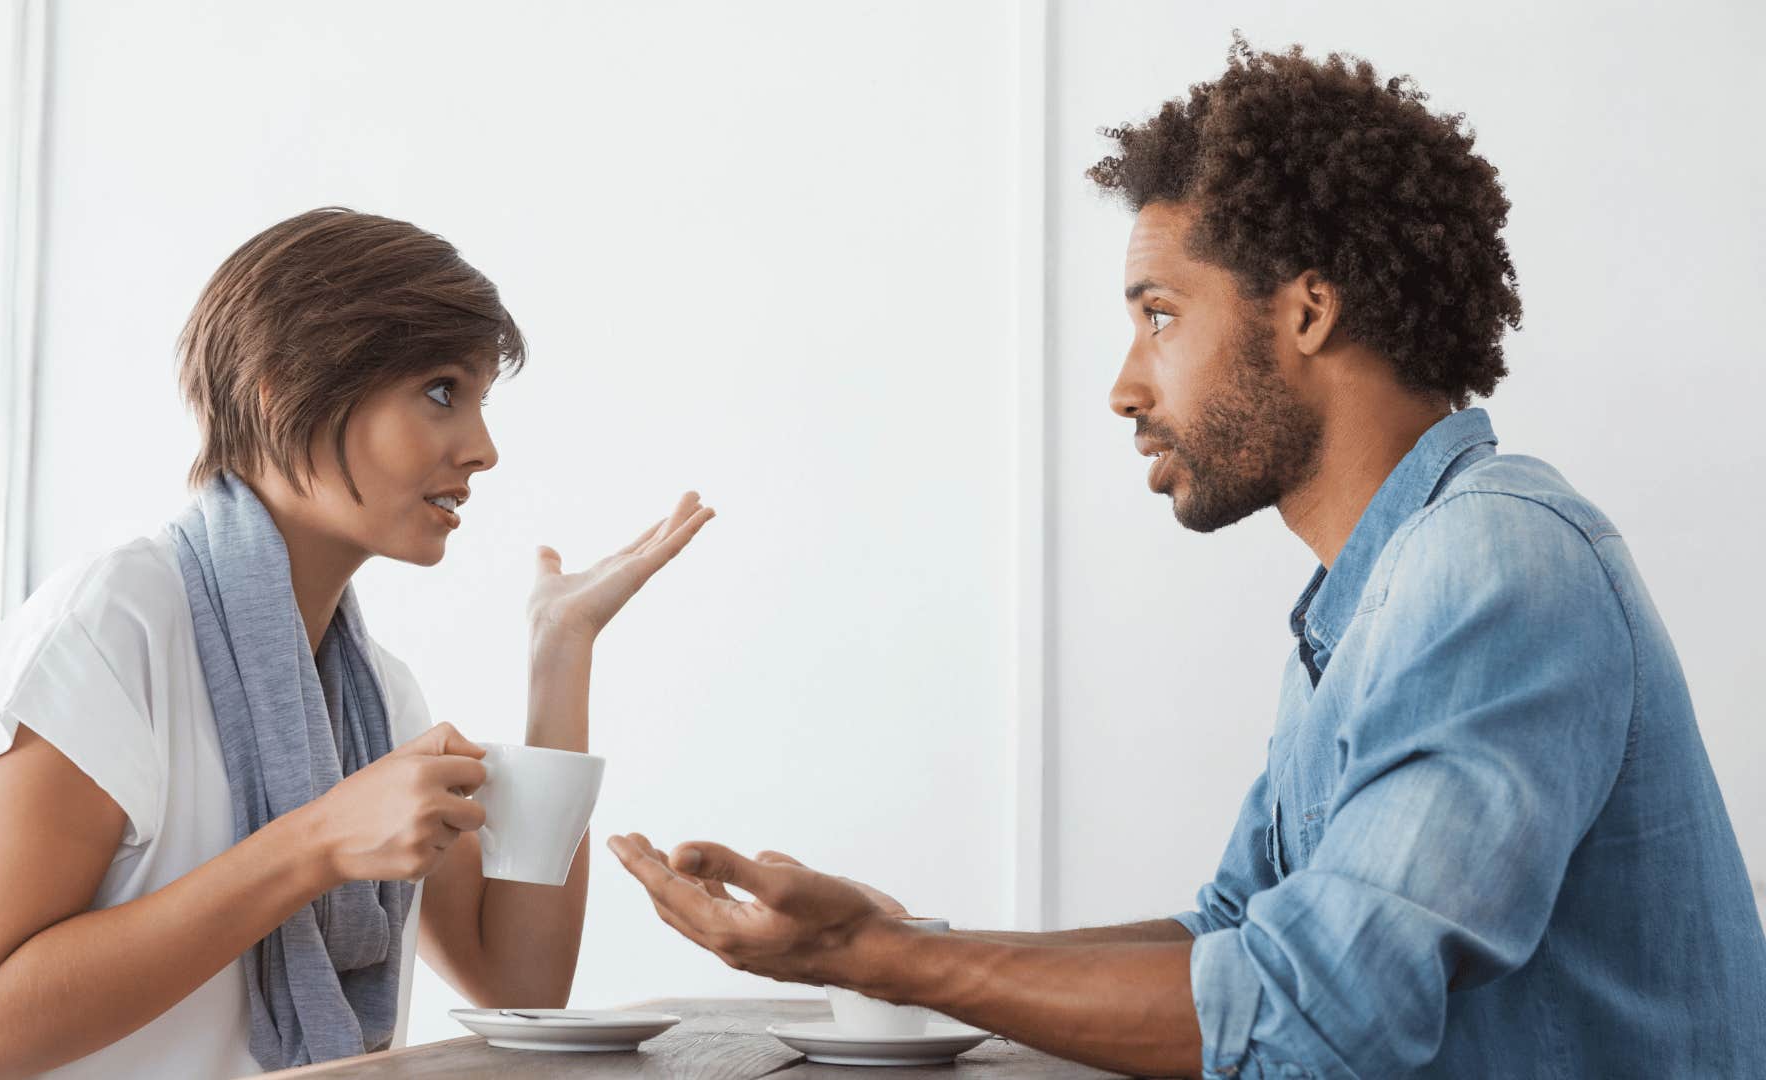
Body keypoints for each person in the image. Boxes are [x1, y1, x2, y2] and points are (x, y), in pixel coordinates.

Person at [608, 35, 1766, 1078]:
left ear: (1307, 312)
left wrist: (876, 959)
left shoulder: (1493, 566)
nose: (1123, 384)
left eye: (1157, 313)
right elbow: (1233, 937)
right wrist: (893, 946)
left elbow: (1320, 1014)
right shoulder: (1371, 598)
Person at [0, 207, 713, 1079]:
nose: (484, 449)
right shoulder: (114, 627)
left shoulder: (379, 696)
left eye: (481, 400)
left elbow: (519, 986)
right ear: (282, 389)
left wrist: (559, 653)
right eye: (443, 390)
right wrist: (317, 844)